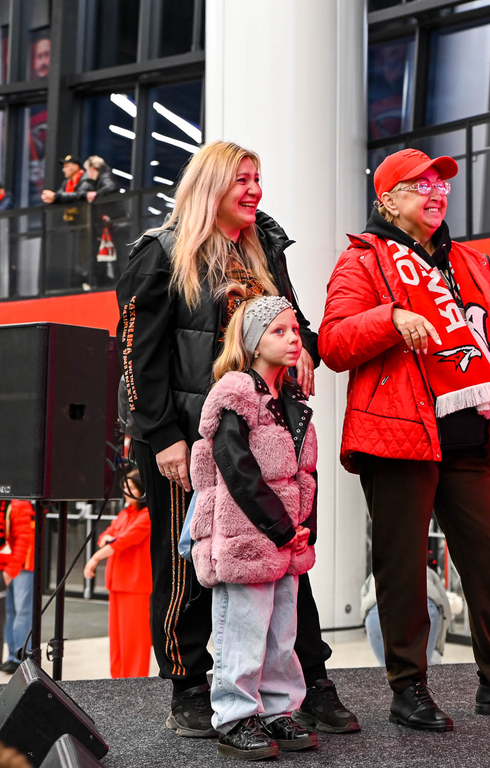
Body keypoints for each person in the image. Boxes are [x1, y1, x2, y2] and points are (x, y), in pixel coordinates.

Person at [115, 140, 357, 739]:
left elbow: (295, 322)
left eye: (257, 177)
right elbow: (133, 358)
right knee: (189, 566)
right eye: (240, 179)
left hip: (265, 428)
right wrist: (164, 437)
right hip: (186, 442)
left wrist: (304, 351)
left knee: (284, 555)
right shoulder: (161, 255)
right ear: (209, 187)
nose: (253, 189)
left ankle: (308, 679)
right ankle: (189, 686)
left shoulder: (265, 247)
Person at [319, 147, 490, 731]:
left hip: (465, 435)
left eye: (440, 184)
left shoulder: (470, 261)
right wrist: (391, 319)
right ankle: (409, 688)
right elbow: (331, 342)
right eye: (418, 185)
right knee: (402, 567)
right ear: (387, 200)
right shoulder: (364, 262)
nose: (435, 193)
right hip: (397, 434)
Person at [189, 296, 319, 760]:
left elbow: (306, 470)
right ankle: (234, 716)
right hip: (246, 537)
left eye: (294, 330)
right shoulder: (233, 393)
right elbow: (236, 470)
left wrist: (304, 528)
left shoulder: (292, 400)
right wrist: (284, 528)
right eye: (278, 331)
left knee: (282, 630)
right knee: (241, 629)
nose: (292, 338)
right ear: (251, 341)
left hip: (285, 539)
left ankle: (277, 710)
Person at [83, 469, 153, 678]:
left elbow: (120, 541)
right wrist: (109, 540)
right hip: (119, 582)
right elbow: (106, 535)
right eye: (125, 488)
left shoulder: (146, 516)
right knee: (118, 640)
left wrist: (95, 558)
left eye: (131, 488)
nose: (127, 493)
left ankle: (133, 681)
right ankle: (118, 679)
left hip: (136, 584)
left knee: (134, 640)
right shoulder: (125, 514)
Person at [362, 568, 451, 666]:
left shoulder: (376, 572)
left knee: (388, 669)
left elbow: (364, 601)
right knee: (420, 668)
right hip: (424, 604)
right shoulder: (427, 570)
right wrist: (439, 648)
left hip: (378, 609)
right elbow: (445, 608)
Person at [0, 500, 34, 674]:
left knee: (22, 612)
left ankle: (21, 657)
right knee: (10, 612)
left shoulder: (19, 503)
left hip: (23, 566)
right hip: (11, 565)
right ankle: (13, 656)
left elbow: (23, 539)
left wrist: (10, 570)